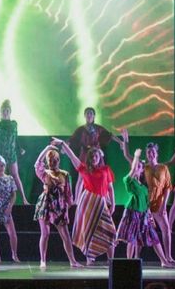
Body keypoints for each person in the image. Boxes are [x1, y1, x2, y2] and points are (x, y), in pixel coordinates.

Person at [51, 137, 116, 265]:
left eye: (96, 156)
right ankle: (89, 259)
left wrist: (113, 204)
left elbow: (110, 188)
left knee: (110, 231)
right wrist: (63, 143)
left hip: (101, 202)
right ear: (89, 158)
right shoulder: (84, 169)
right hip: (87, 202)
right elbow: (72, 157)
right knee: (88, 230)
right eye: (92, 156)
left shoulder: (106, 170)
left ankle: (111, 260)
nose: (94, 158)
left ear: (100, 157)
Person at [119, 130, 175, 263]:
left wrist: (164, 206)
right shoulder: (144, 167)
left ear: (157, 153)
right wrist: (126, 140)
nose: (150, 154)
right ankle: (135, 258)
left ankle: (168, 257)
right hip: (145, 205)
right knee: (140, 231)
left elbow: (167, 187)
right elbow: (128, 156)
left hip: (159, 204)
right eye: (148, 152)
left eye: (152, 152)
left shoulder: (163, 168)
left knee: (166, 229)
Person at [33, 144, 81, 269]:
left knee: (65, 235)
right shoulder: (45, 173)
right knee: (45, 234)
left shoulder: (64, 174)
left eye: (54, 160)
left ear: (58, 160)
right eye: (49, 160)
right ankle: (42, 260)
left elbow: (68, 193)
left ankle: (72, 261)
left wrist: (68, 206)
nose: (52, 163)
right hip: (45, 204)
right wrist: (47, 148)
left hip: (59, 206)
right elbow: (37, 164)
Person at [68, 107, 120, 201]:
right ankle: (77, 200)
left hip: (96, 155)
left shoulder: (98, 128)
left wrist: (121, 142)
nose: (89, 115)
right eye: (87, 113)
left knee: (103, 176)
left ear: (94, 116)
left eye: (91, 113)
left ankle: (106, 198)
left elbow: (110, 135)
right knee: (81, 177)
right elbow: (72, 140)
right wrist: (64, 146)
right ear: (84, 116)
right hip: (85, 155)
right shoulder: (80, 129)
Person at [0, 100, 29, 205]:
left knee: (15, 175)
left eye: (7, 110)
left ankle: (24, 199)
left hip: (10, 153)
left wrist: (20, 148)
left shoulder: (14, 124)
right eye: (3, 111)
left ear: (10, 111)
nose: (5, 112)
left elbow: (16, 138)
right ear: (0, 112)